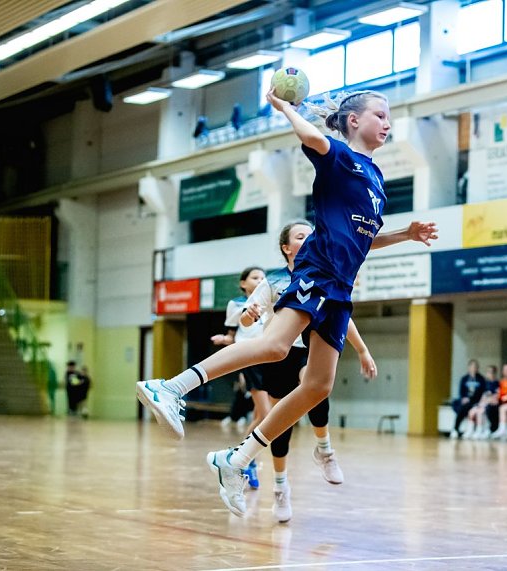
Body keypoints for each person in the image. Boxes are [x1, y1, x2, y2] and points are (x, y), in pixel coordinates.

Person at [136, 87, 438, 517]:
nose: (388, 123)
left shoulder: (376, 180)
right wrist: (285, 109)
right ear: (354, 121)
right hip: (317, 271)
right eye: (380, 115)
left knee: (317, 386)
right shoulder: (338, 155)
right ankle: (170, 387)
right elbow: (310, 139)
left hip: (340, 288)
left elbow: (364, 241)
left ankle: (234, 461)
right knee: (276, 346)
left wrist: (405, 235)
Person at [241, 219, 377, 522]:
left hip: (308, 351)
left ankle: (324, 449)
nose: (309, 239)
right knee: (280, 424)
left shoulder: (324, 274)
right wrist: (250, 315)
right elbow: (247, 319)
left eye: (312, 235)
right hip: (277, 355)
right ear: (287, 248)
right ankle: (280, 487)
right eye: (301, 237)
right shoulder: (274, 281)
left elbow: (341, 318)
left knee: (314, 386)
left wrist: (362, 349)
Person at [211, 266, 268, 489]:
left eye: (263, 278)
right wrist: (225, 339)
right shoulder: (236, 304)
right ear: (243, 283)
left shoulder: (269, 300)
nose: (260, 280)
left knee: (260, 415)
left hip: (270, 357)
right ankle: (243, 458)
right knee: (266, 414)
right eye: (255, 277)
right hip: (250, 358)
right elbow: (233, 335)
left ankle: (243, 458)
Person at [452, 359, 486, 439]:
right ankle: (455, 429)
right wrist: (463, 398)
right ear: (469, 368)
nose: (473, 368)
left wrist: (472, 400)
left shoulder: (481, 379)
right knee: (460, 407)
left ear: (477, 368)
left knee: (467, 408)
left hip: (476, 401)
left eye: (475, 367)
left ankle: (470, 430)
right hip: (466, 400)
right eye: (472, 367)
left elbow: (482, 392)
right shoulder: (464, 379)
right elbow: (461, 391)